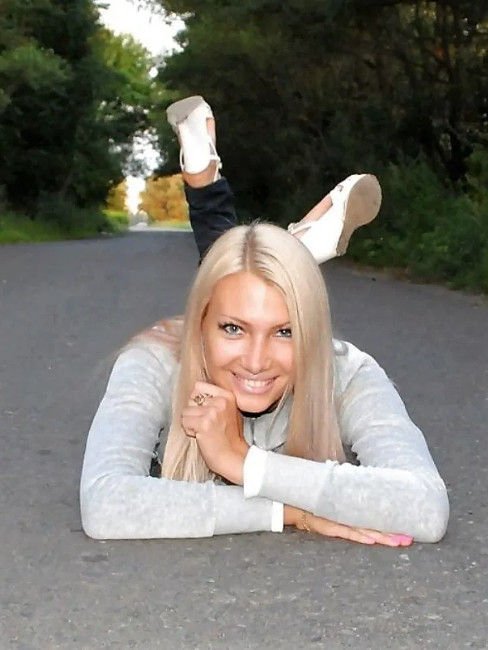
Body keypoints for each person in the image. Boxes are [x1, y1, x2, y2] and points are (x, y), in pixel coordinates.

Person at [79, 97, 449, 545]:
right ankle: (293, 250)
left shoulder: (345, 370)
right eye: (232, 329)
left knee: (235, 273)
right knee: (234, 273)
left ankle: (276, 243)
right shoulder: (156, 362)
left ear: (311, 332)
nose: (256, 361)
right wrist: (291, 511)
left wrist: (244, 462)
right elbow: (106, 503)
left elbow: (425, 507)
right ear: (199, 326)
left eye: (285, 331)